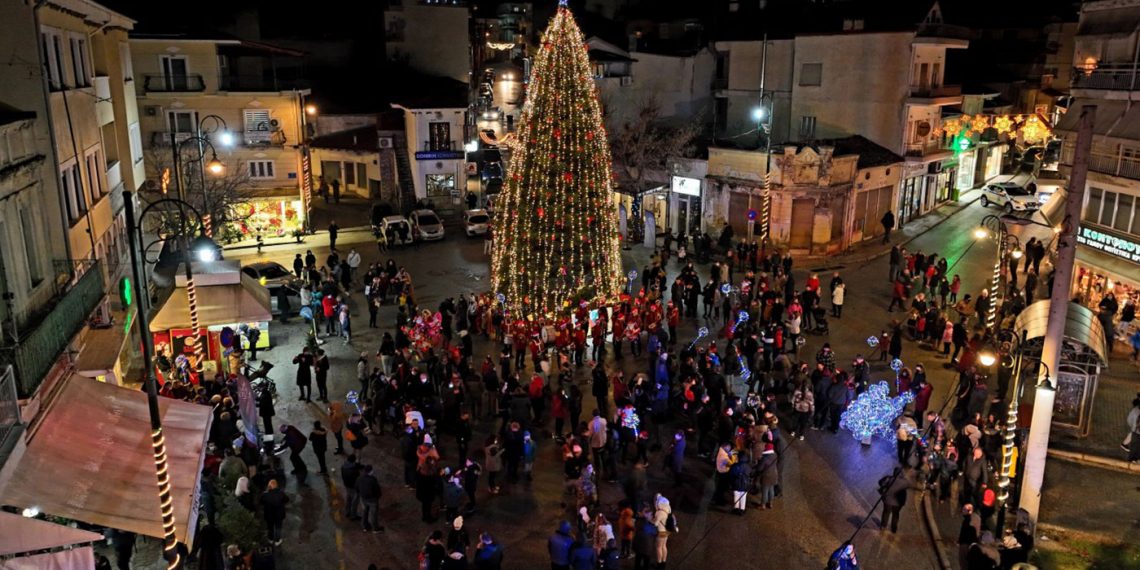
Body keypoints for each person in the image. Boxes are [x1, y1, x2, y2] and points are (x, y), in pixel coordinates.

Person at [878, 467, 911, 533]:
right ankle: (894, 528)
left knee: (886, 513)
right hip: (898, 503)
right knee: (896, 515)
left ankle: (883, 526)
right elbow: (909, 485)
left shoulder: (889, 479)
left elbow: (880, 482)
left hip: (888, 501)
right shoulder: (905, 482)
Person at [356, 464, 384, 533]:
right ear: (370, 471)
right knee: (373, 514)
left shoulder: (359, 478)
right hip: (372, 499)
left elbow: (356, 487)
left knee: (365, 512)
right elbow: (377, 490)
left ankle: (365, 526)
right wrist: (378, 496)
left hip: (363, 498)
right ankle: (375, 528)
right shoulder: (372, 479)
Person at [261, 479, 288, 545]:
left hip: (269, 515)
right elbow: (286, 500)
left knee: (270, 527)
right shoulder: (281, 493)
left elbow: (261, 502)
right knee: (278, 527)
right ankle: (277, 541)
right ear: (276, 485)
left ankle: (270, 539)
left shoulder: (265, 494)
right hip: (279, 515)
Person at [341, 454, 361, 520]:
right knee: (354, 502)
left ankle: (347, 511)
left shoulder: (343, 466)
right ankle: (353, 515)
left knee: (348, 498)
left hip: (347, 485)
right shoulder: (354, 470)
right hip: (353, 487)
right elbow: (358, 479)